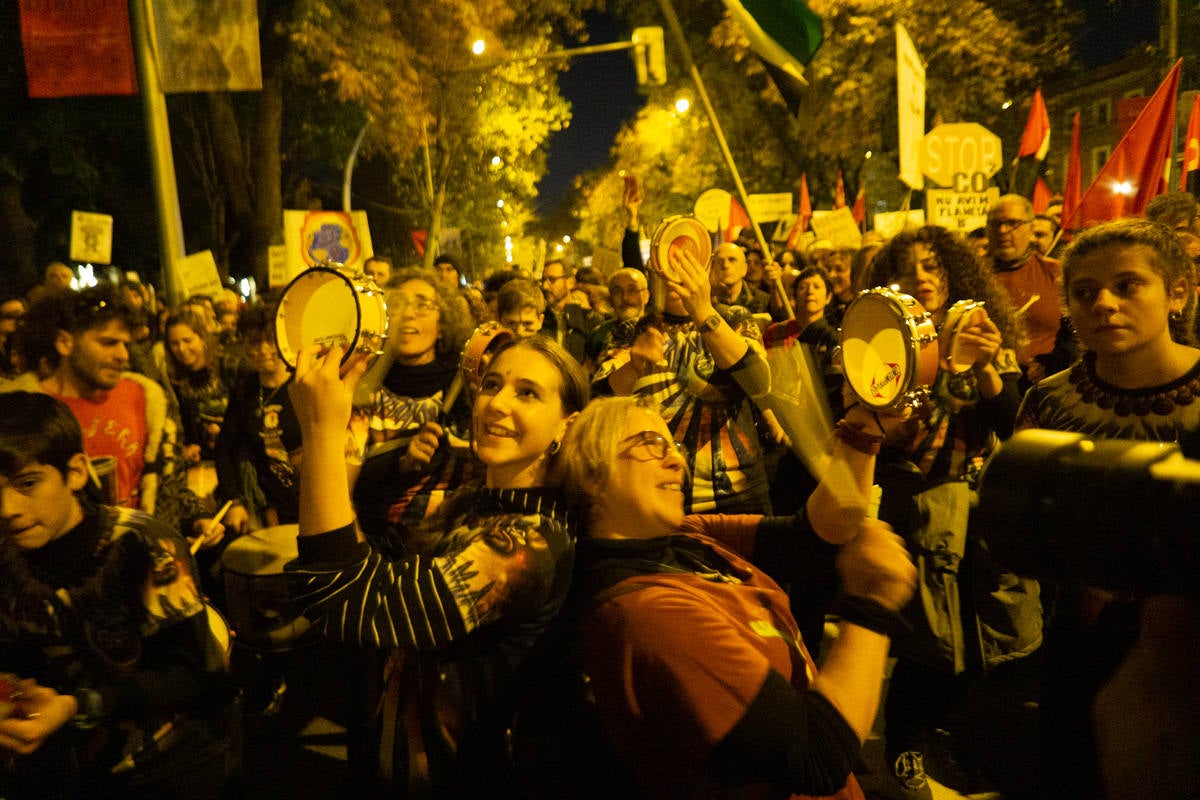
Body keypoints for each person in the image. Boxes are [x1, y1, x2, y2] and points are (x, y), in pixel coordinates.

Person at [557, 394, 917, 800]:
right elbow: (816, 758)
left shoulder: (686, 536)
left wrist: (863, 428)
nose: (676, 461)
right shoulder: (648, 615)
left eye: (673, 446)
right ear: (591, 475)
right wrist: (872, 605)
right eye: (649, 443)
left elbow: (813, 535)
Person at [285, 335, 589, 797]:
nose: (496, 404)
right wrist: (343, 455)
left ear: (567, 425)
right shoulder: (476, 502)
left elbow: (343, 598)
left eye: (528, 393)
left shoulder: (527, 547)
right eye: (492, 384)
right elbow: (376, 571)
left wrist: (321, 431)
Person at [1015, 218, 1200, 797]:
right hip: (1081, 632)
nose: (1104, 304)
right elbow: (1024, 518)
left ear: (1177, 292)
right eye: (1084, 291)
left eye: (1127, 285)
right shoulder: (1049, 401)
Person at [862, 225, 1032, 796]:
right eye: (909, 267)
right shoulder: (882, 339)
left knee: (983, 636)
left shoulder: (982, 327)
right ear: (892, 278)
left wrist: (984, 366)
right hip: (915, 505)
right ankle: (905, 746)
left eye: (933, 265)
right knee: (926, 642)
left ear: (954, 272)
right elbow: (875, 432)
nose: (922, 276)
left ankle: (961, 739)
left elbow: (1012, 423)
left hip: (976, 506)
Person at [0, 392, 238, 798]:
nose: (6, 508)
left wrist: (77, 706)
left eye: (28, 483)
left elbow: (197, 675)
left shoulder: (144, 545)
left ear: (76, 472)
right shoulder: (8, 557)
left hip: (171, 766)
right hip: (75, 765)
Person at [6, 286, 210, 537]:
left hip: (137, 551)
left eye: (125, 344)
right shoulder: (20, 414)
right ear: (64, 342)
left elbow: (169, 486)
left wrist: (195, 518)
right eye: (108, 343)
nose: (123, 355)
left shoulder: (146, 398)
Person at [607, 245, 773, 514]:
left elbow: (759, 382)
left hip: (738, 495)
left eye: (687, 263)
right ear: (653, 274)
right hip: (663, 496)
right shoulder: (634, 330)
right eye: (666, 265)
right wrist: (633, 367)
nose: (676, 273)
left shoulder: (732, 317)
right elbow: (601, 404)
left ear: (705, 269)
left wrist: (703, 312)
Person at [985, 193, 1073, 385]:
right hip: (988, 383)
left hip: (1045, 383)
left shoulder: (1056, 273)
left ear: (1031, 228)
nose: (1002, 230)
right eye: (995, 224)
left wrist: (1055, 361)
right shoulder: (971, 277)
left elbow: (1077, 331)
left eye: (1012, 223)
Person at [162, 306, 242, 465]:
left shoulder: (230, 365)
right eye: (174, 343)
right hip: (205, 463)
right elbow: (185, 428)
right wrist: (187, 449)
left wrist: (227, 431)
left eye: (187, 340)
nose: (181, 349)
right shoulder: (176, 379)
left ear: (202, 338)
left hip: (238, 458)